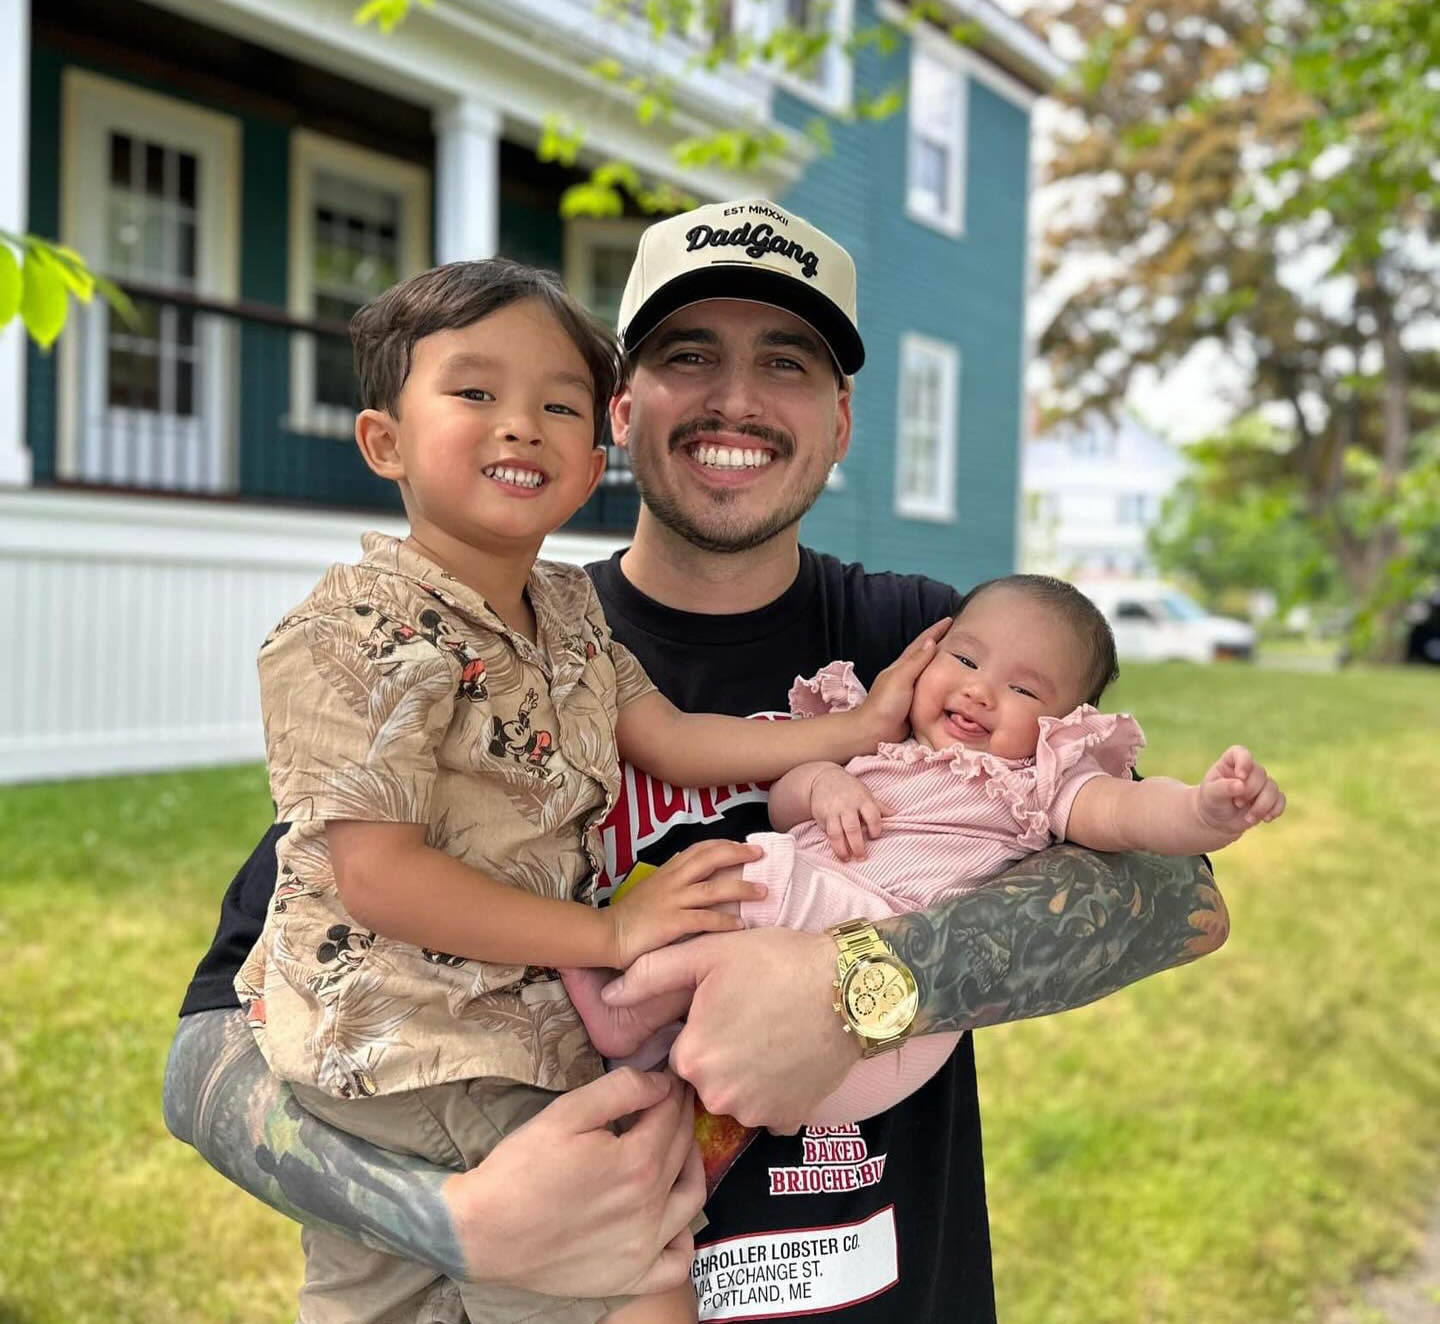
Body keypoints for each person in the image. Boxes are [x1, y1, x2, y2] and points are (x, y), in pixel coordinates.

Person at [165, 197, 1231, 1321]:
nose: (737, 399)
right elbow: (207, 1054)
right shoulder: (497, 634)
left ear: (842, 420)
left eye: (787, 361)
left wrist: (857, 988)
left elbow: (1181, 900)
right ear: (618, 413)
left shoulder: (926, 652)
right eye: (688, 356)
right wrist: (449, 1224)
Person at [236, 257, 938, 1324]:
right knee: (648, 1275)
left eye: (552, 405)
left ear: (590, 451)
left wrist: (864, 726)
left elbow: (667, 736)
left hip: (521, 1046)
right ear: (384, 441)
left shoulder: (568, 615)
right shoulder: (359, 633)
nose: (519, 427)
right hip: (424, 1049)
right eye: (474, 394)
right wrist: (608, 934)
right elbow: (373, 878)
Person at [568, 572, 1284, 1127]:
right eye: (966, 658)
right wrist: (822, 786)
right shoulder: (876, 737)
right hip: (768, 1023)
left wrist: (1203, 808)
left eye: (1024, 688)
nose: (979, 691)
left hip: (884, 1004)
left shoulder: (1037, 778)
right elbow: (784, 802)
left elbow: (1133, 819)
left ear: (1066, 724)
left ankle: (625, 1005)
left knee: (745, 874)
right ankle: (637, 1029)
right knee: (733, 873)